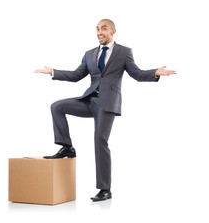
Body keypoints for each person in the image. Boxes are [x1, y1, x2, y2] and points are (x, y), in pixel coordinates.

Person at [34, 19, 176, 202]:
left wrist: (154, 73)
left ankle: (105, 189)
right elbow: (77, 75)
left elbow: (136, 74)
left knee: (99, 141)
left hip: (107, 104)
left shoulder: (124, 52)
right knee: (57, 106)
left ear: (113, 31)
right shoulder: (89, 54)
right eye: (97, 29)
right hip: (89, 100)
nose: (99, 32)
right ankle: (67, 147)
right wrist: (53, 72)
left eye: (104, 28)